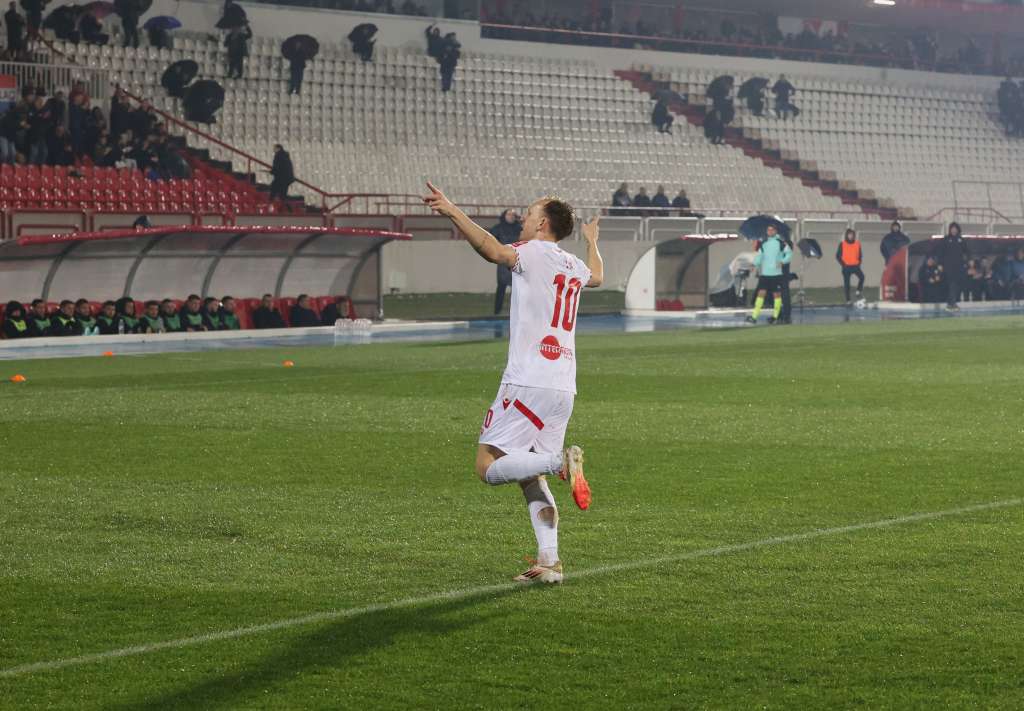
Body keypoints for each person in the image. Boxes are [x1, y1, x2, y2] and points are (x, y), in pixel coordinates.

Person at [423, 181, 603, 585]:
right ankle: (550, 562)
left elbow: (492, 250)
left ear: (542, 224)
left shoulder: (531, 252)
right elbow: (598, 276)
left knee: (487, 467)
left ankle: (559, 462)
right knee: (529, 475)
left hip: (528, 381)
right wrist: (592, 241)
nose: (523, 219)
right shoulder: (573, 265)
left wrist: (452, 211)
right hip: (563, 386)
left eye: (528, 214)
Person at [746, 225, 792, 324]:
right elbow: (759, 256)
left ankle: (775, 317)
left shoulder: (781, 243)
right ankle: (754, 317)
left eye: (772, 230)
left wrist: (783, 261)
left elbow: (789, 254)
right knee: (760, 294)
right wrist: (754, 264)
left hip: (776, 274)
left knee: (776, 296)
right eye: (768, 230)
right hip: (765, 274)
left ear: (776, 231)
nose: (770, 231)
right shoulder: (764, 244)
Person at [491, 208, 522, 315]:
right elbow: (490, 240)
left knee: (518, 289)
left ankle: (517, 312)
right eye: (509, 214)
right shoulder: (498, 228)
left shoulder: (519, 229)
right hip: (503, 262)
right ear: (504, 216)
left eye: (513, 215)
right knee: (501, 287)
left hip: (516, 261)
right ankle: (497, 311)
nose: (511, 216)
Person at [937, 222, 968, 311]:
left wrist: (969, 261)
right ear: (950, 230)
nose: (954, 230)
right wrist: (940, 264)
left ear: (958, 230)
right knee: (952, 284)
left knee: (956, 285)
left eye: (955, 229)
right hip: (948, 267)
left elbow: (967, 251)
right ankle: (952, 303)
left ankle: (950, 304)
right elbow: (940, 253)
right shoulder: (945, 240)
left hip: (959, 267)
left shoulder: (961, 240)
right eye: (952, 229)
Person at [836, 228, 865, 304]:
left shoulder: (857, 244)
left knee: (862, 277)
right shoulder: (842, 244)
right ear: (846, 235)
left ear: (854, 235)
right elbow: (838, 256)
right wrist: (843, 264)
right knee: (847, 284)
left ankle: (858, 291)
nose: (851, 236)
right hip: (846, 267)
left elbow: (860, 255)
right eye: (849, 235)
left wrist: (858, 263)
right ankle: (848, 300)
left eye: (852, 235)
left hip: (855, 266)